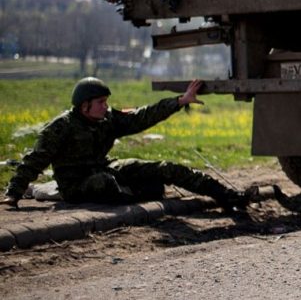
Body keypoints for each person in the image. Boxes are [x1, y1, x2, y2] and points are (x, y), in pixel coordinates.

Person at [2, 78, 248, 210]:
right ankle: (140, 192)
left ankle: (229, 197)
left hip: (106, 167)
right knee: (106, 183)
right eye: (100, 102)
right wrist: (14, 194)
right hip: (76, 183)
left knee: (166, 168)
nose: (106, 106)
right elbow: (34, 161)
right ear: (84, 105)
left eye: (106, 101)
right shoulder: (60, 127)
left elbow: (142, 117)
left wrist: (179, 102)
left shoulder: (107, 119)